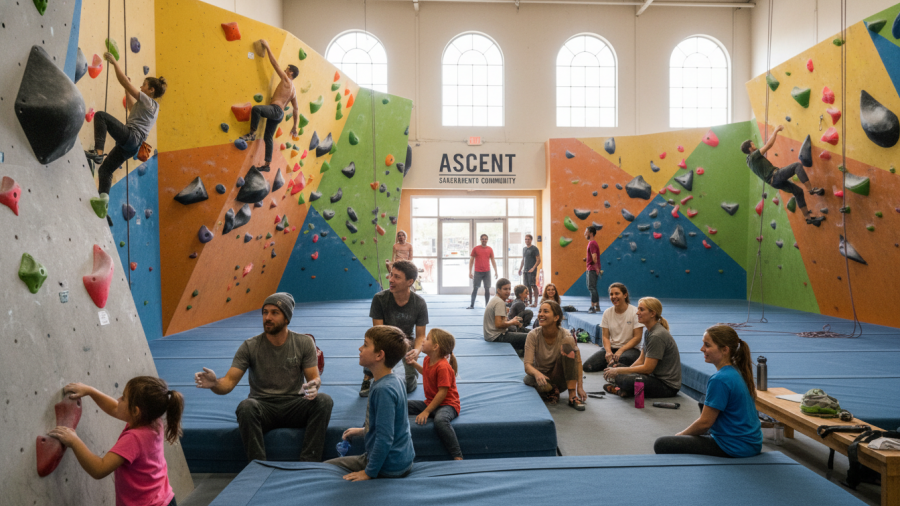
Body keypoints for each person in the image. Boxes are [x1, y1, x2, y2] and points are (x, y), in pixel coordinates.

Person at [193, 293, 333, 463]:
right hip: (263, 407)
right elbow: (228, 383)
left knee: (324, 401)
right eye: (265, 312)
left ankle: (309, 461)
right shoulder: (250, 346)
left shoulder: (303, 343)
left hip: (294, 404)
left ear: (286, 318)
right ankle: (258, 465)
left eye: (274, 313)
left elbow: (314, 378)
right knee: (246, 407)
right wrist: (214, 383)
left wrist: (314, 385)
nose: (267, 317)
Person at [49, 377, 182, 506]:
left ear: (136, 411)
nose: (118, 399)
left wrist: (74, 441)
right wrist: (91, 391)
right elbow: (115, 408)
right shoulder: (153, 421)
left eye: (123, 398)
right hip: (164, 498)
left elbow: (99, 469)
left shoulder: (134, 439)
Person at [655, 326, 762, 458]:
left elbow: (705, 423)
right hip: (751, 443)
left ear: (725, 350)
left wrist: (680, 436)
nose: (702, 349)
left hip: (734, 447)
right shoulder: (736, 371)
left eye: (707, 345)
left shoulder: (720, 379)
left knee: (662, 444)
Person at [326, 326, 415, 480]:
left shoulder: (383, 389)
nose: (360, 348)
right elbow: (394, 424)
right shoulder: (395, 379)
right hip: (402, 459)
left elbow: (385, 438)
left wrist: (369, 472)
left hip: (389, 466)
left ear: (379, 355)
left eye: (365, 345)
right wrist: (363, 430)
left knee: (325, 467)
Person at [84, 53, 166, 210]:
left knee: (101, 116)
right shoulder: (151, 108)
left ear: (151, 90)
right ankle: (103, 203)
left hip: (132, 137)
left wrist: (115, 63)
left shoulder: (149, 102)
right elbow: (131, 107)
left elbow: (125, 82)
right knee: (106, 170)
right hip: (131, 146)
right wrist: (127, 89)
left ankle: (98, 153)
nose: (141, 87)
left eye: (144, 85)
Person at [363, 260, 428, 397]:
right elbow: (378, 332)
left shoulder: (419, 303)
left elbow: (421, 335)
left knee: (407, 385)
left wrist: (416, 350)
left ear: (410, 282)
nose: (391, 279)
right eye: (391, 275)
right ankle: (369, 374)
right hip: (383, 343)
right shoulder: (380, 299)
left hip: (405, 344)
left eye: (397, 277)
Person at [741, 125, 826, 226]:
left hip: (774, 182)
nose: (755, 146)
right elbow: (768, 145)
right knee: (797, 166)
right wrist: (776, 130)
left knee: (798, 191)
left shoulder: (749, 161)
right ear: (750, 148)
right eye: (753, 145)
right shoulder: (753, 157)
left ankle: (808, 218)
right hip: (775, 176)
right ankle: (811, 190)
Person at [237, 39, 300, 172]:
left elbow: (274, 64)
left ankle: (252, 134)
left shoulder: (286, 80)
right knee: (268, 137)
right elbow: (296, 109)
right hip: (279, 114)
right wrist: (295, 126)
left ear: (291, 73)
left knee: (257, 109)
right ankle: (267, 165)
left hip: (275, 110)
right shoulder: (294, 91)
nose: (285, 70)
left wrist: (267, 47)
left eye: (287, 69)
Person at [602, 297, 681, 398]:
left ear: (652, 314)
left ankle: (622, 390)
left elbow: (647, 369)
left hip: (666, 386)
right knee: (615, 367)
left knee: (623, 379)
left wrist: (620, 372)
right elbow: (641, 359)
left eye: (641, 310)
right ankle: (624, 390)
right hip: (652, 377)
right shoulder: (649, 332)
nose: (637, 313)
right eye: (638, 309)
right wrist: (622, 371)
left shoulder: (657, 335)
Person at [406, 329, 463, 460]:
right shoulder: (427, 359)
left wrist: (426, 411)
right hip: (431, 402)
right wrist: (414, 364)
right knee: (403, 404)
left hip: (448, 405)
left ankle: (457, 455)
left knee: (440, 421)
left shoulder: (443, 366)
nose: (423, 341)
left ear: (435, 347)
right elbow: (426, 372)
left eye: (427, 339)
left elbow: (442, 393)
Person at [524, 301, 586, 410]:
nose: (541, 314)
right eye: (540, 311)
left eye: (545, 311)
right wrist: (537, 374)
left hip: (560, 377)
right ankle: (551, 390)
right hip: (542, 378)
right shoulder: (532, 335)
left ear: (556, 317)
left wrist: (579, 387)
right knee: (529, 379)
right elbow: (527, 365)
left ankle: (572, 395)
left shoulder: (565, 335)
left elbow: (577, 362)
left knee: (568, 345)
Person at [582, 283, 644, 372]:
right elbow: (605, 336)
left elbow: (637, 337)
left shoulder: (635, 312)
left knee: (622, 361)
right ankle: (612, 364)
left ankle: (615, 365)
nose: (614, 296)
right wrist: (608, 351)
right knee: (588, 366)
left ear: (625, 295)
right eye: (611, 294)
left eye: (617, 293)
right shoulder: (607, 313)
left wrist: (621, 350)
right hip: (612, 349)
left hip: (630, 349)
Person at [483, 278, 529, 354]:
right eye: (505, 289)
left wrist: (511, 321)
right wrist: (512, 322)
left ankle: (518, 349)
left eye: (509, 289)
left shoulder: (496, 299)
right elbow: (498, 324)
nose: (508, 291)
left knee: (515, 329)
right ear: (498, 290)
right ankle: (521, 352)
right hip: (496, 337)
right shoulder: (499, 302)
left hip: (490, 335)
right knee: (529, 337)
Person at [467, 234, 497, 309]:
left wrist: (496, 271)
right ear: (480, 240)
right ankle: (472, 305)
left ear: (487, 240)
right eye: (483, 239)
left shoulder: (490, 249)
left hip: (487, 272)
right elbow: (471, 261)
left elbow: (493, 260)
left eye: (485, 239)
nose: (484, 240)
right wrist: (470, 272)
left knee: (487, 289)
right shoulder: (476, 249)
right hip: (478, 272)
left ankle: (487, 306)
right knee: (475, 288)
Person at [517, 234, 541, 307]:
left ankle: (535, 302)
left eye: (528, 239)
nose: (527, 240)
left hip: (532, 270)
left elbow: (538, 260)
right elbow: (523, 260)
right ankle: (529, 302)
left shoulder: (534, 249)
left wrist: (533, 268)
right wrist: (520, 269)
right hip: (525, 270)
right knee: (526, 287)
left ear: (531, 240)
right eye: (526, 239)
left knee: (533, 285)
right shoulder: (524, 249)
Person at [584, 226, 601, 313]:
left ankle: (593, 307)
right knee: (593, 287)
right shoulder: (592, 243)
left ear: (591, 233)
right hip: (593, 268)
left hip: (592, 268)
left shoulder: (592, 243)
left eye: (586, 232)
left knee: (591, 287)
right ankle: (597, 306)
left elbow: (594, 258)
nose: (584, 234)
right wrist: (587, 259)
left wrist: (594, 266)